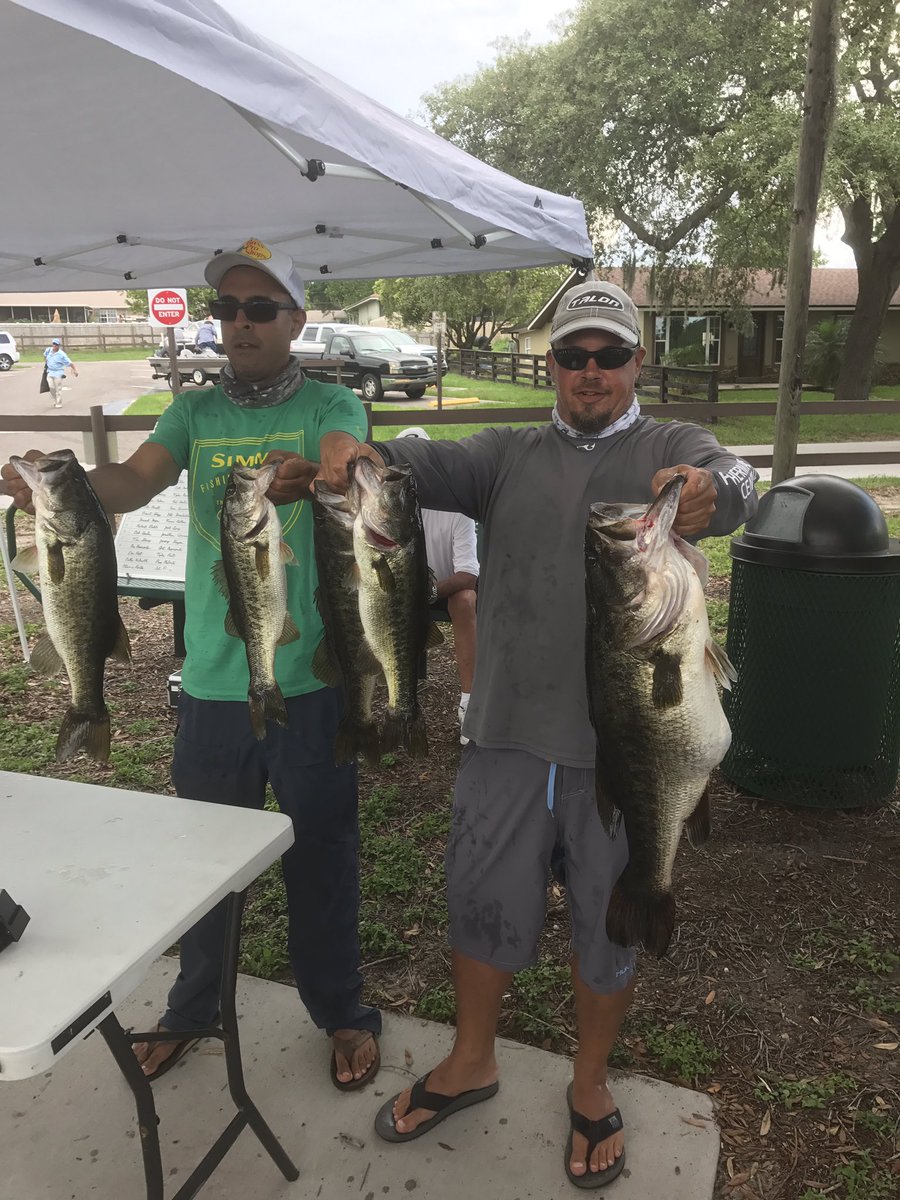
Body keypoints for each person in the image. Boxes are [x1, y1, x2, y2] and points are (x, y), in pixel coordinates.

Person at [297, 279, 758, 1185]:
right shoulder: (506, 451)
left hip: (623, 755)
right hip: (505, 736)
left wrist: (715, 491)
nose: (591, 373)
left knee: (609, 920)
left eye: (610, 356)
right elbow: (414, 465)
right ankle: (473, 1061)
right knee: (479, 904)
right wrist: (354, 448)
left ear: (638, 363)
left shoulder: (672, 447)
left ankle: (590, 1085)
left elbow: (738, 481)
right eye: (574, 355)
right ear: (551, 363)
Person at [2, 238, 381, 1091]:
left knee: (323, 851)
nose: (238, 324)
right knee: (205, 867)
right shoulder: (195, 412)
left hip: (311, 682)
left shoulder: (332, 401)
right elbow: (133, 480)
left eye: (258, 309)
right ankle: (192, 1010)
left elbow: (345, 457)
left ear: (296, 318)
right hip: (212, 683)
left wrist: (333, 465)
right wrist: (51, 487)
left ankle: (343, 1010)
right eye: (227, 309)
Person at [397, 427, 478, 745]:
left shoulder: (455, 507)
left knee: (466, 600)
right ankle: (395, 702)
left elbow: (468, 575)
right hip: (404, 594)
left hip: (445, 590)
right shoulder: (390, 511)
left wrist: (425, 592)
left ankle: (469, 701)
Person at [43, 336, 78, 408]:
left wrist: (74, 370)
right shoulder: (48, 350)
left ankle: (59, 403)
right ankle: (55, 400)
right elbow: (45, 356)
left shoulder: (62, 354)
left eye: (56, 344)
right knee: (51, 387)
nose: (54, 346)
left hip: (58, 372)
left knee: (58, 388)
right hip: (50, 371)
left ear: (58, 345)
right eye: (53, 344)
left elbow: (69, 362)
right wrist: (46, 361)